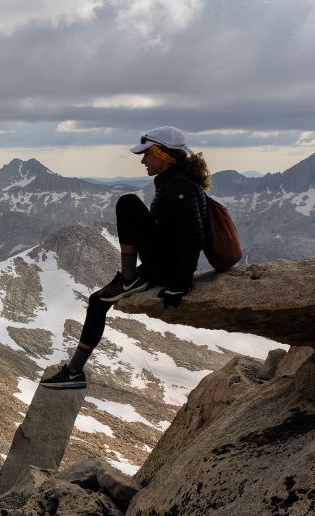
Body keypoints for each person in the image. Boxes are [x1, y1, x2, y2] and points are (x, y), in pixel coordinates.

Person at [40, 126, 211, 390]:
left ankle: (129, 278)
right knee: (98, 302)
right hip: (162, 263)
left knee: (127, 202)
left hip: (166, 269)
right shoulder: (174, 180)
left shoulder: (179, 185)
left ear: (162, 154)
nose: (143, 161)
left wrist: (181, 283)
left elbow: (194, 235)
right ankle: (74, 372)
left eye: (147, 155)